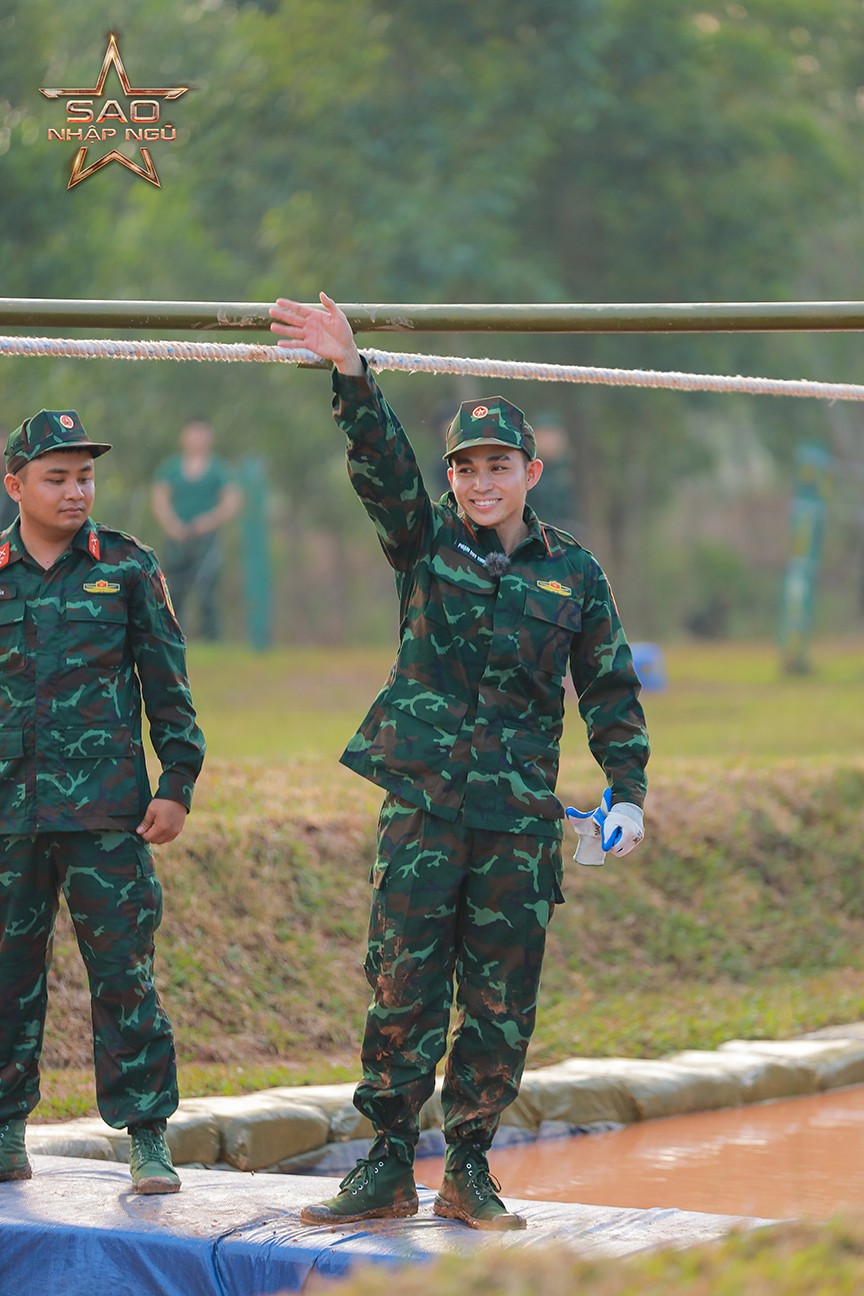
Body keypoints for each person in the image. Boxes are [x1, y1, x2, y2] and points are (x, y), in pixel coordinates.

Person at [270, 294, 650, 1231]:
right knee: (402, 984)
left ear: (531, 471)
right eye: (468, 468)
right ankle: (388, 1162)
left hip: (519, 818)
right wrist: (350, 373)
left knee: (499, 999)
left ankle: (469, 1168)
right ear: (453, 476)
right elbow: (381, 468)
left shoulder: (576, 575)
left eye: (500, 466)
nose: (484, 483)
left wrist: (627, 792)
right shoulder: (424, 538)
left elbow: (608, 688)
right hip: (426, 808)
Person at [0, 409, 205, 1194]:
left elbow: (169, 686)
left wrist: (177, 783)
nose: (76, 490)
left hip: (108, 814)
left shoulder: (126, 566)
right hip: (10, 815)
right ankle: (6, 1129)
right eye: (57, 478)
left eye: (85, 476)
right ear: (16, 485)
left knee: (124, 975)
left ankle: (147, 1136)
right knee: (7, 975)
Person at [150, 421, 241, 641]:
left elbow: (232, 501)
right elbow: (159, 498)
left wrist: (208, 521)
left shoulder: (219, 469)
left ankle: (211, 640)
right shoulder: (171, 468)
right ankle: (171, 637)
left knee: (207, 589)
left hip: (207, 539)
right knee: (172, 588)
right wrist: (172, 525)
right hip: (177, 538)